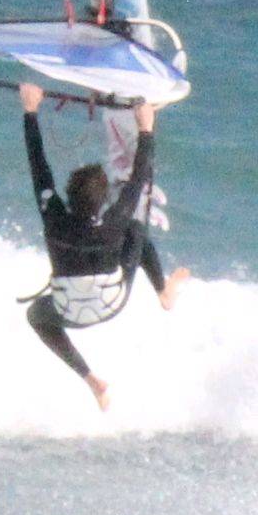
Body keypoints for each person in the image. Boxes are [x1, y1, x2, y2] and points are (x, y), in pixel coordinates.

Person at [18, 82, 189, 410]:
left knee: (36, 316)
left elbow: (38, 167)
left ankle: (91, 380)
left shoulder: (53, 215)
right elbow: (140, 178)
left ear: (68, 197)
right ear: (103, 203)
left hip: (68, 311)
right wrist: (146, 128)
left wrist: (31, 110)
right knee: (137, 228)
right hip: (112, 303)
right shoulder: (115, 220)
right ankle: (163, 292)